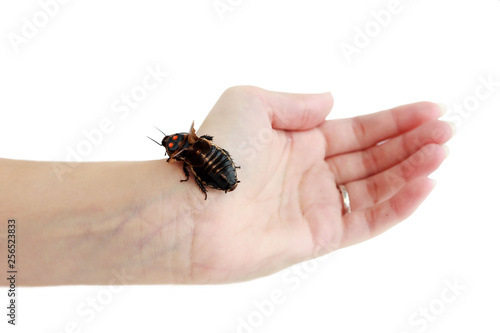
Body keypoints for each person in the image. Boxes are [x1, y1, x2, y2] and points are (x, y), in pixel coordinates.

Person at [0, 86, 453, 286]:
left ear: (180, 145)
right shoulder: (192, 149)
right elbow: (199, 162)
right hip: (217, 170)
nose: (173, 146)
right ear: (181, 147)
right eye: (172, 146)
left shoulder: (188, 155)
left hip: (218, 172)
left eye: (172, 143)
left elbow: (197, 166)